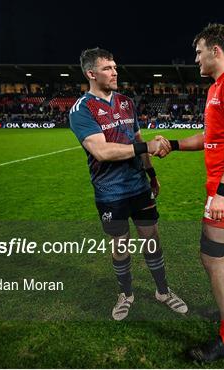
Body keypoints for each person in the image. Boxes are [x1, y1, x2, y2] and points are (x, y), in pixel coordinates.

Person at [157, 24, 224, 361]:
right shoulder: (218, 87)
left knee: (211, 256)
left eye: (199, 51)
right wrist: (172, 145)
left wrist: (223, 193)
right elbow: (210, 138)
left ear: (216, 50)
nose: (196, 58)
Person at [69, 47, 187, 321]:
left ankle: (162, 291)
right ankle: (126, 294)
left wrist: (151, 174)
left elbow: (136, 139)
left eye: (115, 66)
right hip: (110, 192)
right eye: (108, 68)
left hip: (138, 186)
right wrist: (148, 145)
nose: (114, 72)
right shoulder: (82, 109)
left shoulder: (125, 102)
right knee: (120, 245)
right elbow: (102, 152)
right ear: (91, 73)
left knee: (152, 239)